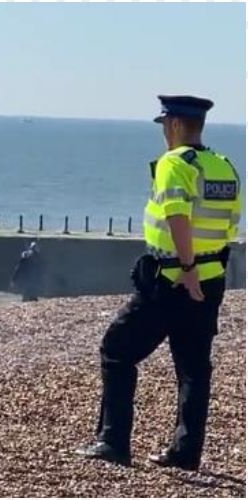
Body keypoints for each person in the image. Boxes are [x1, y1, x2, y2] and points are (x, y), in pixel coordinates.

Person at [76, 95, 241, 470]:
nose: (164, 133)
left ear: (178, 125)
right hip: (212, 280)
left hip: (172, 279)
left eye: (165, 125)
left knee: (116, 350)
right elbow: (230, 226)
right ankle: (185, 455)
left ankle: (113, 442)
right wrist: (202, 269)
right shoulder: (224, 166)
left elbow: (177, 217)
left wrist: (186, 266)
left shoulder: (173, 163)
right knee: (194, 368)